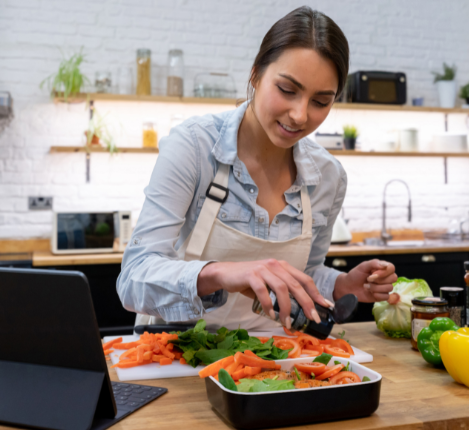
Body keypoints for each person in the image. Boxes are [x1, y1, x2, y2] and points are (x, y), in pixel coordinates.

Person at [117, 6, 398, 331]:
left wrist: (342, 285)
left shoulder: (328, 177)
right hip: (176, 356)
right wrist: (220, 273)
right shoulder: (193, 147)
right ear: (255, 74)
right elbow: (134, 278)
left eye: (320, 102)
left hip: (269, 364)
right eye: (287, 90)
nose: (299, 115)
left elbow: (304, 275)